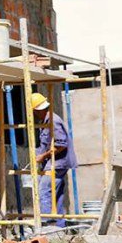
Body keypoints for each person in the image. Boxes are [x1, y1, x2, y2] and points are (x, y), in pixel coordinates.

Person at [30, 92, 78, 228]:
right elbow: (46, 143)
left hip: (57, 164)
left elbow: (61, 144)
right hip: (55, 163)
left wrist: (43, 156)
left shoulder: (53, 121)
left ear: (35, 110)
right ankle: (59, 227)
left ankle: (47, 225)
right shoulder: (46, 120)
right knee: (56, 194)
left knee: (44, 191)